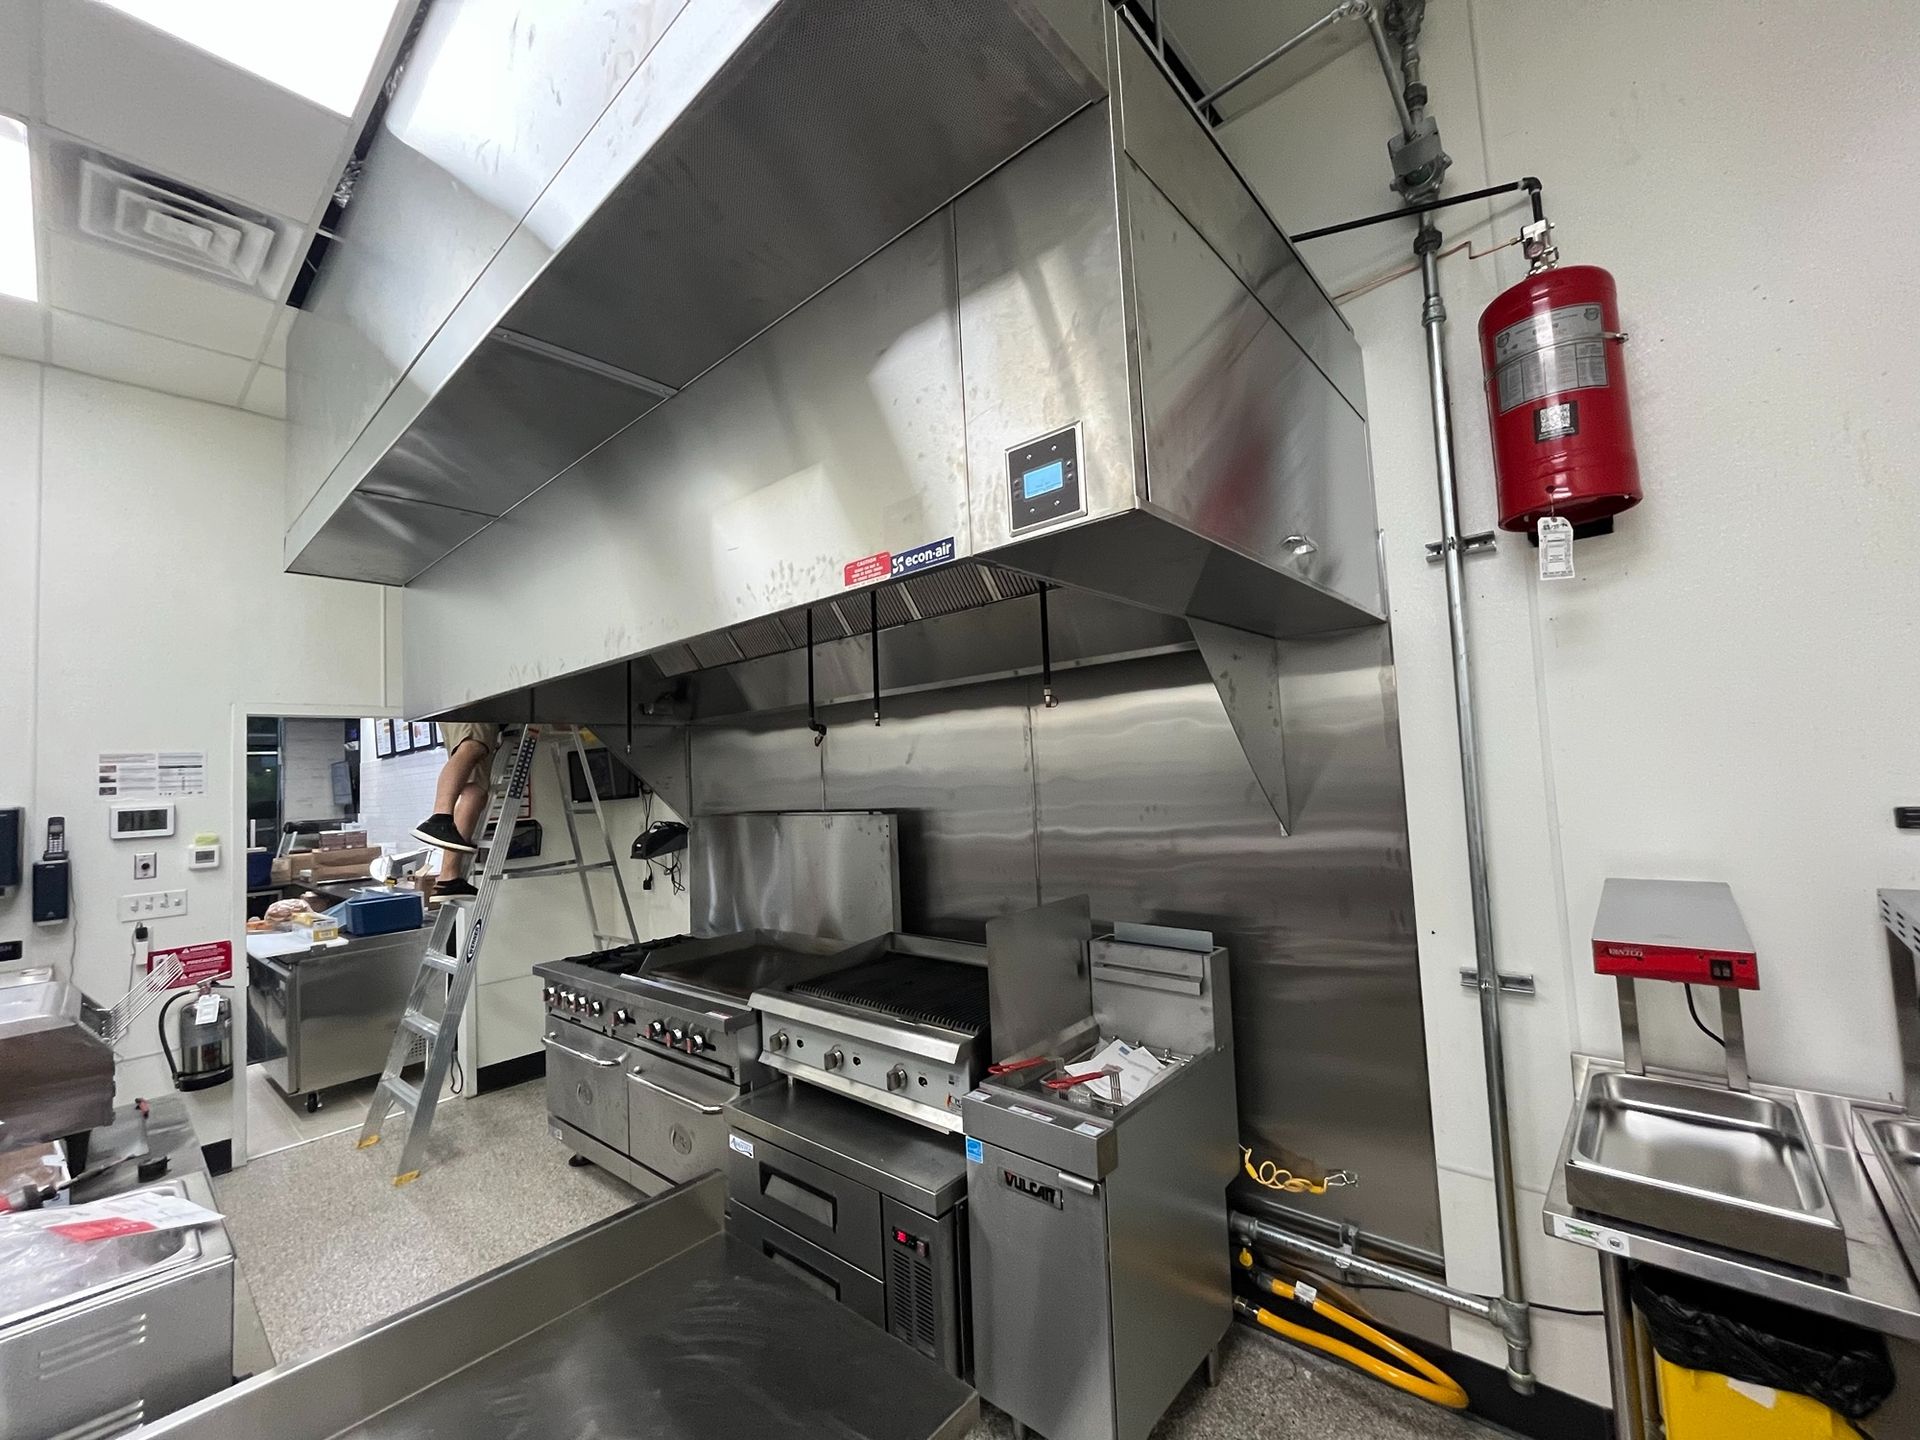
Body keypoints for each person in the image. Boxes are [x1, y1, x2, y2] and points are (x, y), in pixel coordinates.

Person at [411, 723, 500, 899]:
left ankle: (448, 877)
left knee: (476, 790)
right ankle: (440, 818)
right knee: (472, 746)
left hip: (475, 706)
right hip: (472, 701)